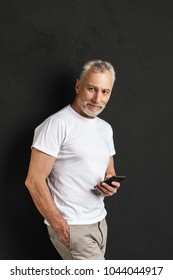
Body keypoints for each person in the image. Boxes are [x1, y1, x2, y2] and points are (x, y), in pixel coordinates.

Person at [25, 59, 121, 260]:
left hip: (100, 221)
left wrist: (110, 183)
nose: (97, 99)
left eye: (105, 92)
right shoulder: (56, 124)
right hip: (73, 226)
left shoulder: (105, 128)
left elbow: (109, 170)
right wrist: (60, 226)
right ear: (78, 86)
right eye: (92, 89)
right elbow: (34, 181)